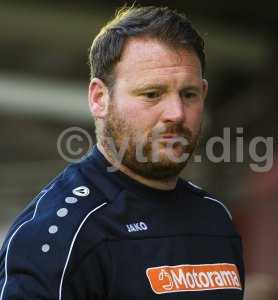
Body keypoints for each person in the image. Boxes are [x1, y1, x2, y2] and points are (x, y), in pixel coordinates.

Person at [0, 5, 245, 300]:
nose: (177, 113)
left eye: (188, 94)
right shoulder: (57, 236)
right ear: (99, 98)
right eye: (152, 94)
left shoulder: (215, 220)